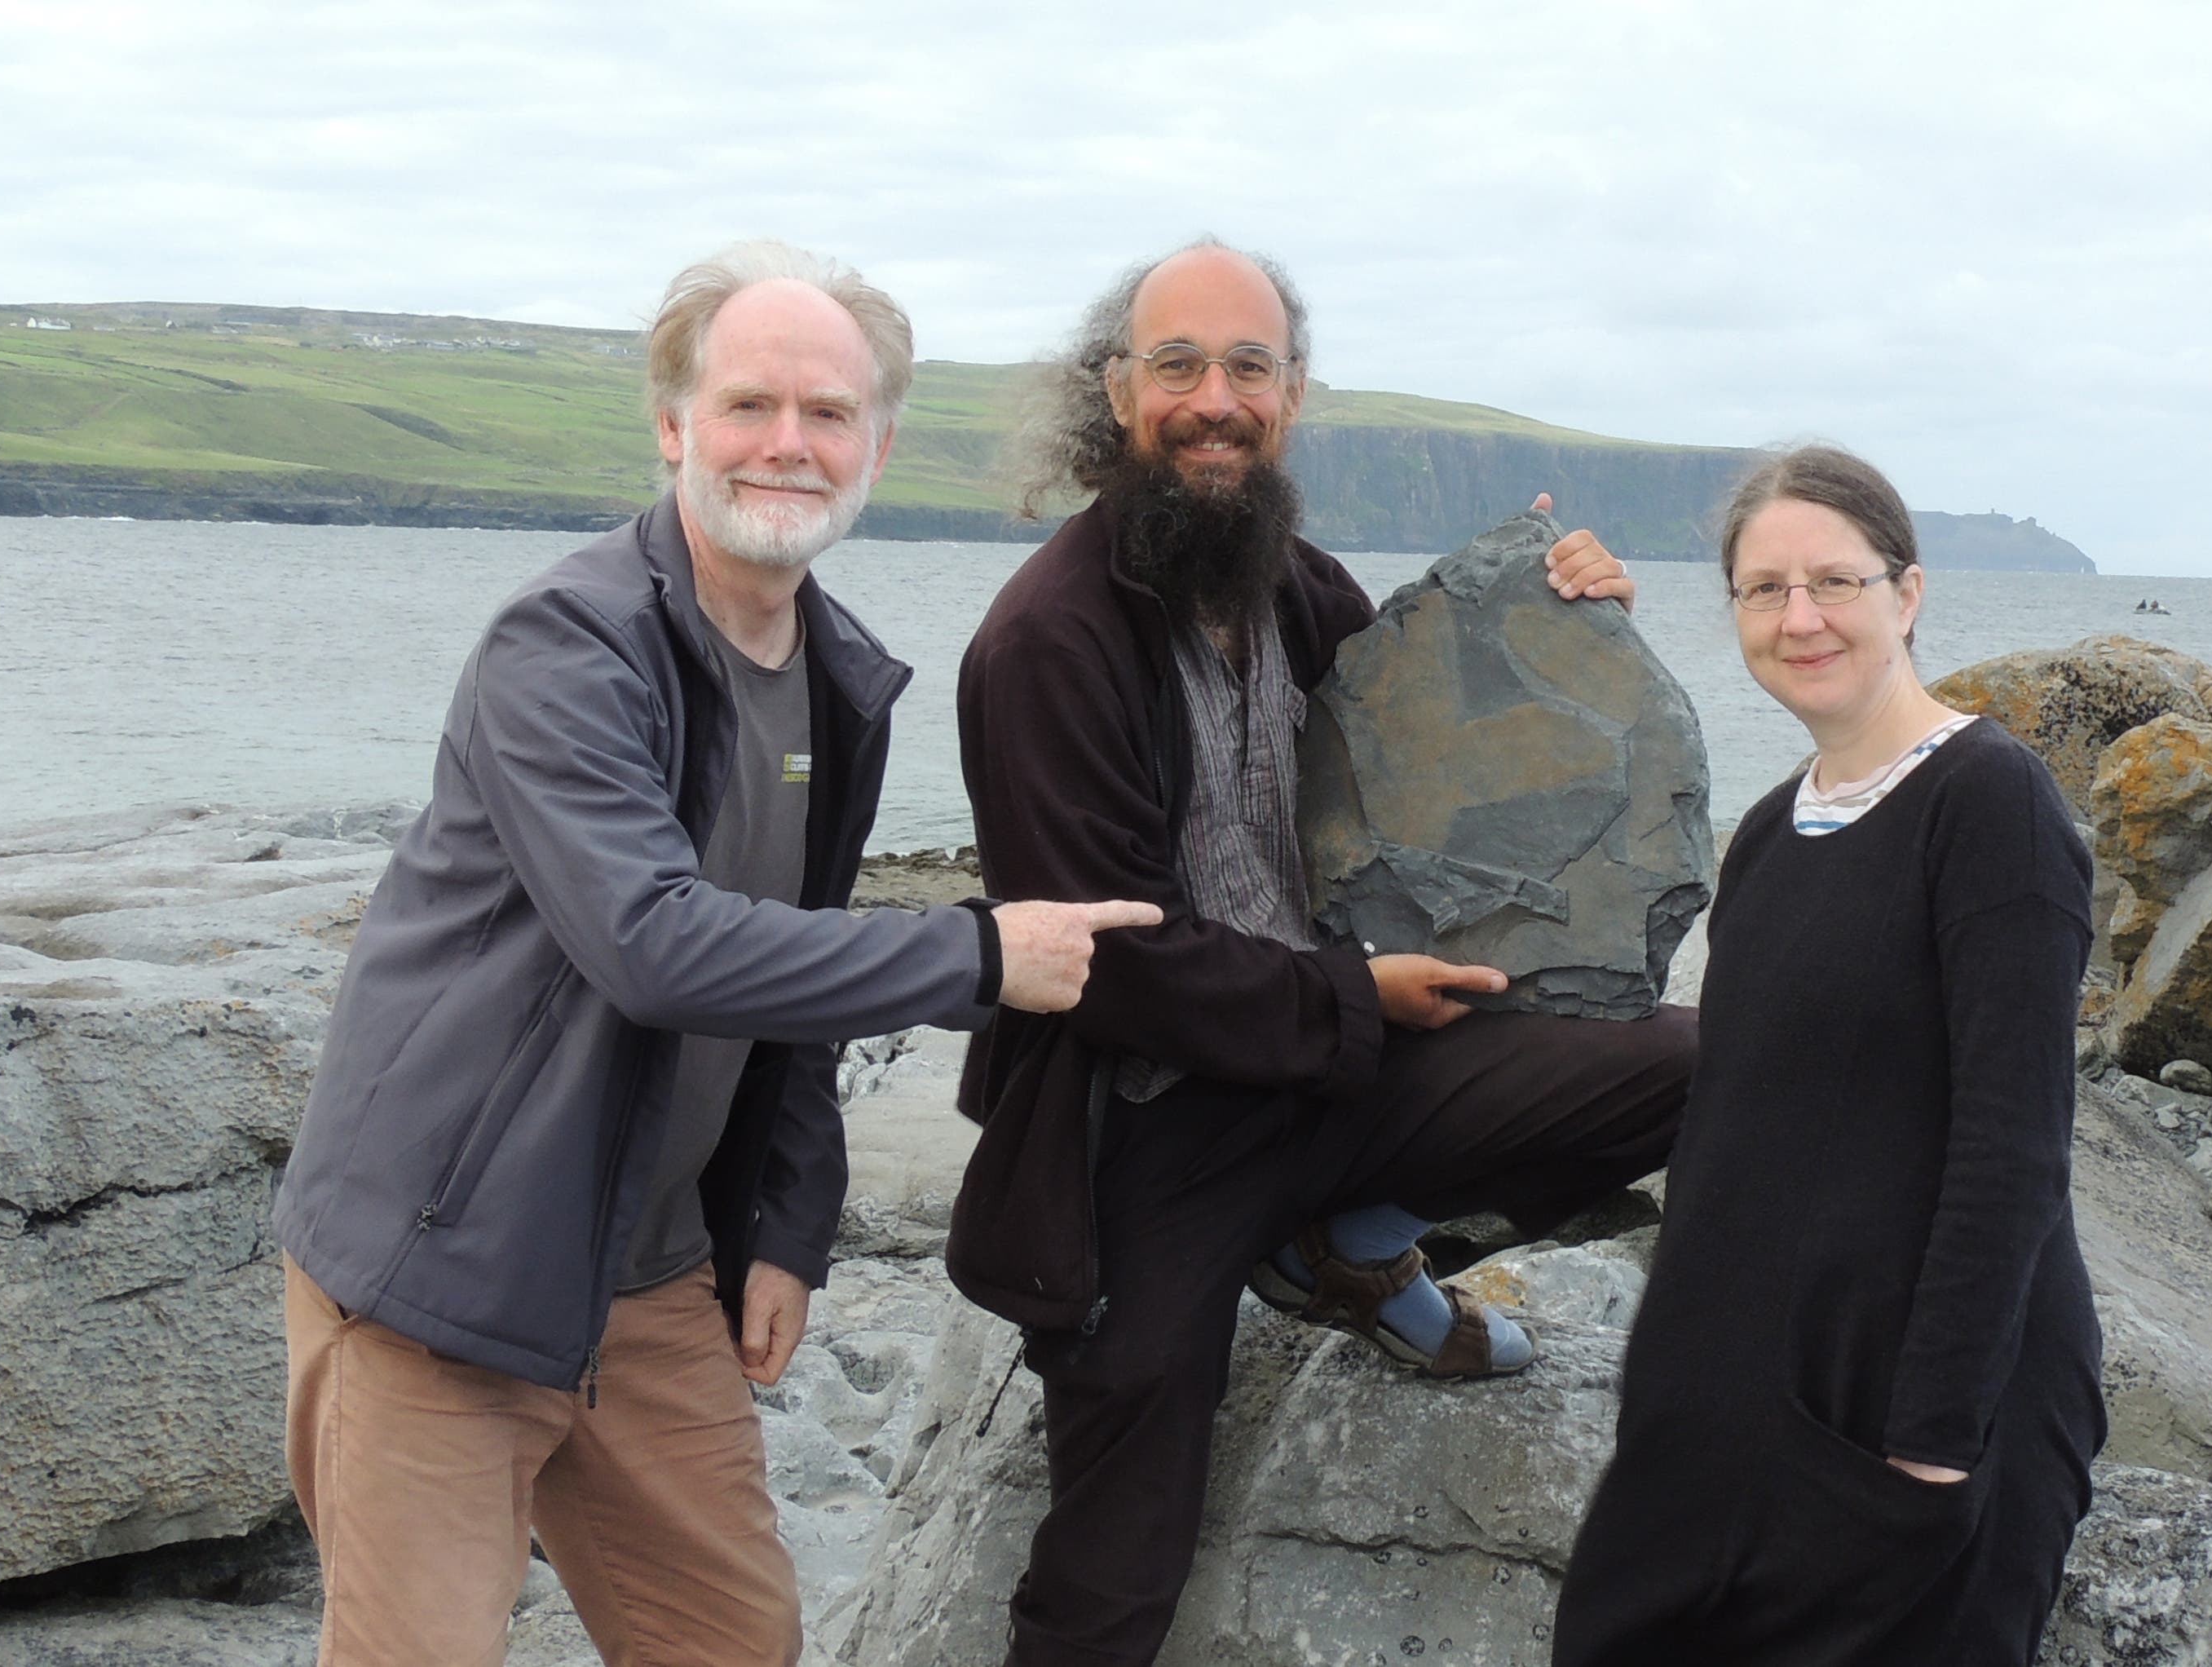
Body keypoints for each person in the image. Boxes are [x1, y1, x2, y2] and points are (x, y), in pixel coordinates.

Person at [271, 240, 1158, 1667]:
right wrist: (977, 954)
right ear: (674, 426)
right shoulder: (567, 645)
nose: (788, 446)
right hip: (445, 1272)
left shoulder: (834, 678)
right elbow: (655, 949)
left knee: (732, 1642)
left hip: (647, 1273)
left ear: (876, 443)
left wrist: (789, 1225)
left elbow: (788, 976)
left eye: (827, 414)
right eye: (750, 405)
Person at [947, 238, 1698, 1666]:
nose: (1213, 398)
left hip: (1335, 1075)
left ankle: (1346, 1244)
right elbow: (1106, 963)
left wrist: (1567, 612)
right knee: (1117, 1559)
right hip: (1147, 1134)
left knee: (1683, 1065)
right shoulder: (1047, 637)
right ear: (1114, 392)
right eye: (1176, 364)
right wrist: (1352, 995)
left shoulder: (1293, 586)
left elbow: (1440, 752)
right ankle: (1305, 1242)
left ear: (1292, 394)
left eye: (1249, 366)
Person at [1553, 445, 2106, 1665]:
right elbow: (1738, 1128)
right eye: (1763, 590)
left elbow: (2012, 1148)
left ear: (1905, 596)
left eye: (1834, 583)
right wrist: (1670, 1394)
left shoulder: (1990, 807)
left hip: (1920, 1408)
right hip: (1747, 1395)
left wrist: (1933, 1442)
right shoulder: (1766, 830)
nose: (1798, 618)